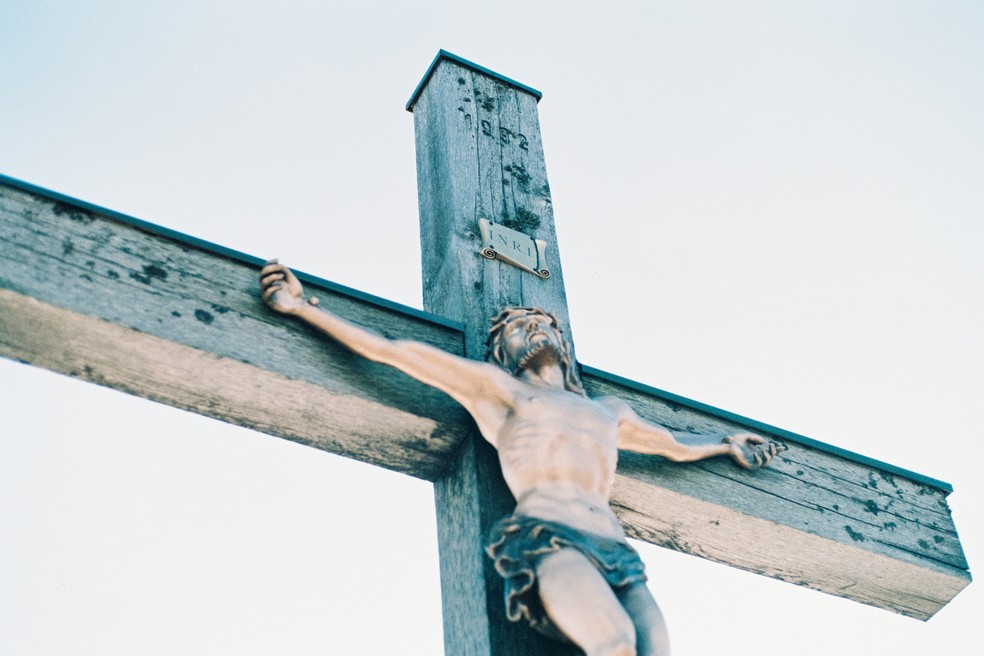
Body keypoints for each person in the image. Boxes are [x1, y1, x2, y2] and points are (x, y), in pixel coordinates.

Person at [259, 260, 784, 656]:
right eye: (518, 328)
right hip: (549, 536)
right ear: (503, 351)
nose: (534, 330)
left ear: (561, 339)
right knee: (615, 644)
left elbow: (671, 443)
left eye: (541, 324)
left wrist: (724, 443)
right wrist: (303, 309)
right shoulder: (502, 393)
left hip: (619, 551)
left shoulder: (609, 412)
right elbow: (394, 352)